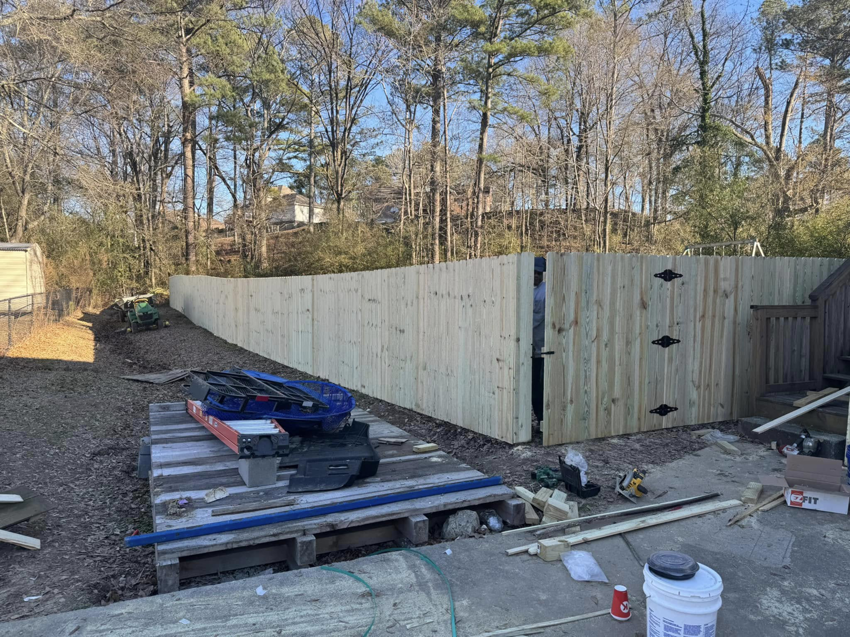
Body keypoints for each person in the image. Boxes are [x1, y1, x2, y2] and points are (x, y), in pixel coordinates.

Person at [532, 256, 546, 423]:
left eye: (539, 273)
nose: (536, 275)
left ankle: (543, 419)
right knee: (533, 386)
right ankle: (540, 418)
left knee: (541, 386)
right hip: (528, 348)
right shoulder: (523, 288)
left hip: (544, 349)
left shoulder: (546, 291)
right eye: (534, 272)